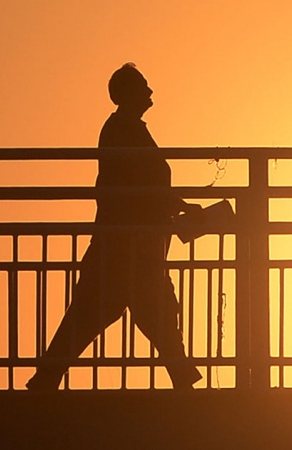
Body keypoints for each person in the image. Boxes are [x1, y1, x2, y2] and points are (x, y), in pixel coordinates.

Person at [26, 63, 202, 390]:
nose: (150, 92)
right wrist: (176, 207)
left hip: (130, 244)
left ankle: (45, 379)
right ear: (128, 94)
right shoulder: (125, 130)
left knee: (138, 312)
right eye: (144, 87)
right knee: (140, 311)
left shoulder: (124, 128)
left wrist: (174, 207)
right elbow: (143, 183)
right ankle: (184, 384)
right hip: (127, 246)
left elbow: (145, 186)